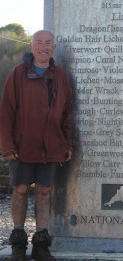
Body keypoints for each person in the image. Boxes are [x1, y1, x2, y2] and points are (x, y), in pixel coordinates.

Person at [0, 30, 73, 261]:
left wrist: (67, 143)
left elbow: (66, 114)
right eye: (39, 43)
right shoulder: (18, 73)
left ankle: (41, 242)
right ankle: (18, 242)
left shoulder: (61, 76)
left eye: (48, 43)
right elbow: (6, 111)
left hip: (51, 146)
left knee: (44, 191)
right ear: (32, 47)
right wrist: (6, 144)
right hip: (22, 146)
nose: (43, 47)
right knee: (21, 190)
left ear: (53, 48)